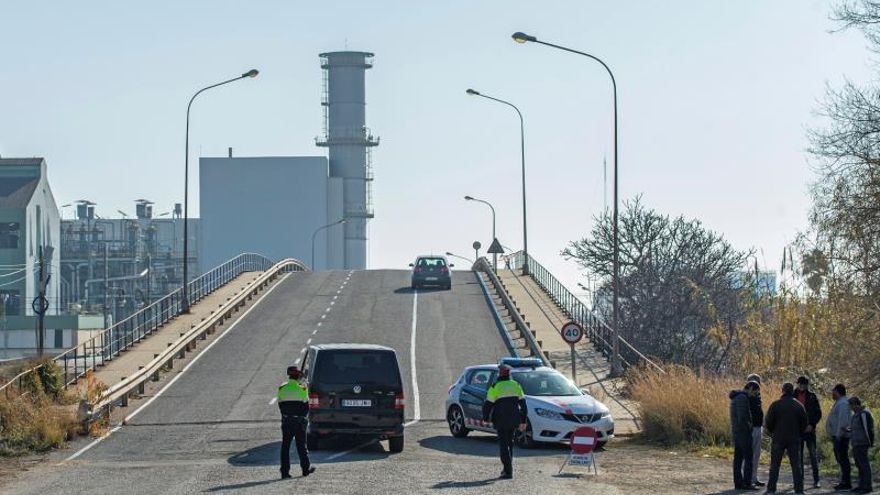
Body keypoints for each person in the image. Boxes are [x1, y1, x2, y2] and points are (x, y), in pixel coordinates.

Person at [483, 364, 528, 479]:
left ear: (499, 373)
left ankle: (508, 471)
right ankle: (507, 468)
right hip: (514, 420)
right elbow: (523, 405)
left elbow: (488, 404)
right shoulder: (516, 385)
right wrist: (523, 421)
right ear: (509, 374)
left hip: (500, 419)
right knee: (510, 444)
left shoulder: (495, 387)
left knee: (504, 446)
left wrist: (485, 418)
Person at [764, 382, 808, 495]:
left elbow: (768, 422)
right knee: (796, 465)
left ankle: (771, 489)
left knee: (775, 465)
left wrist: (773, 432)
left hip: (778, 437)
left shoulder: (775, 405)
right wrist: (799, 433)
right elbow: (804, 424)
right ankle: (799, 490)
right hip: (794, 438)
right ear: (792, 391)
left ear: (782, 390)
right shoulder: (799, 405)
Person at [278, 365, 315, 479]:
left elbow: (280, 404)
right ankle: (305, 469)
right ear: (298, 376)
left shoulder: (282, 388)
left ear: (289, 375)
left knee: (285, 446)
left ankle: (284, 472)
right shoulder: (303, 388)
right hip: (299, 422)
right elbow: (306, 406)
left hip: (287, 421)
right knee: (301, 446)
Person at [793, 376, 822, 488]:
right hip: (797, 431)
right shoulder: (792, 395)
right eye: (800, 384)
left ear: (807, 385)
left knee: (813, 456)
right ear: (797, 384)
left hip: (810, 430)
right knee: (798, 456)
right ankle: (800, 480)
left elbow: (818, 413)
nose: (802, 386)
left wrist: (812, 424)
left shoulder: (812, 396)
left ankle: (816, 480)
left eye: (804, 384)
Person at [730, 381, 759, 490]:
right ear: (750, 388)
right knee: (748, 458)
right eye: (755, 392)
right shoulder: (743, 398)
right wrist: (749, 426)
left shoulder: (737, 397)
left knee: (738, 459)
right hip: (743, 432)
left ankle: (738, 483)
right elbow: (742, 417)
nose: (754, 395)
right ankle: (747, 483)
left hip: (737, 432)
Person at [826, 383, 853, 490]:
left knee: (843, 459)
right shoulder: (839, 403)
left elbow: (843, 421)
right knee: (841, 459)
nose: (832, 393)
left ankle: (846, 482)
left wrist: (838, 435)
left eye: (833, 391)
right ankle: (844, 481)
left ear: (837, 392)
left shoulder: (842, 404)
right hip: (838, 436)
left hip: (840, 437)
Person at [848, 396, 875, 494]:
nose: (850, 407)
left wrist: (870, 442)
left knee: (864, 465)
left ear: (855, 404)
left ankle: (867, 486)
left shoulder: (864, 414)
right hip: (855, 443)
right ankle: (861, 485)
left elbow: (870, 429)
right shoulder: (855, 415)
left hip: (862, 443)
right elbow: (856, 428)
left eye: (851, 405)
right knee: (859, 465)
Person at [746, 373, 765, 488]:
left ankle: (754, 477)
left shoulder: (758, 396)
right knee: (749, 455)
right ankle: (748, 479)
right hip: (751, 428)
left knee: (756, 455)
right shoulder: (746, 397)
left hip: (758, 427)